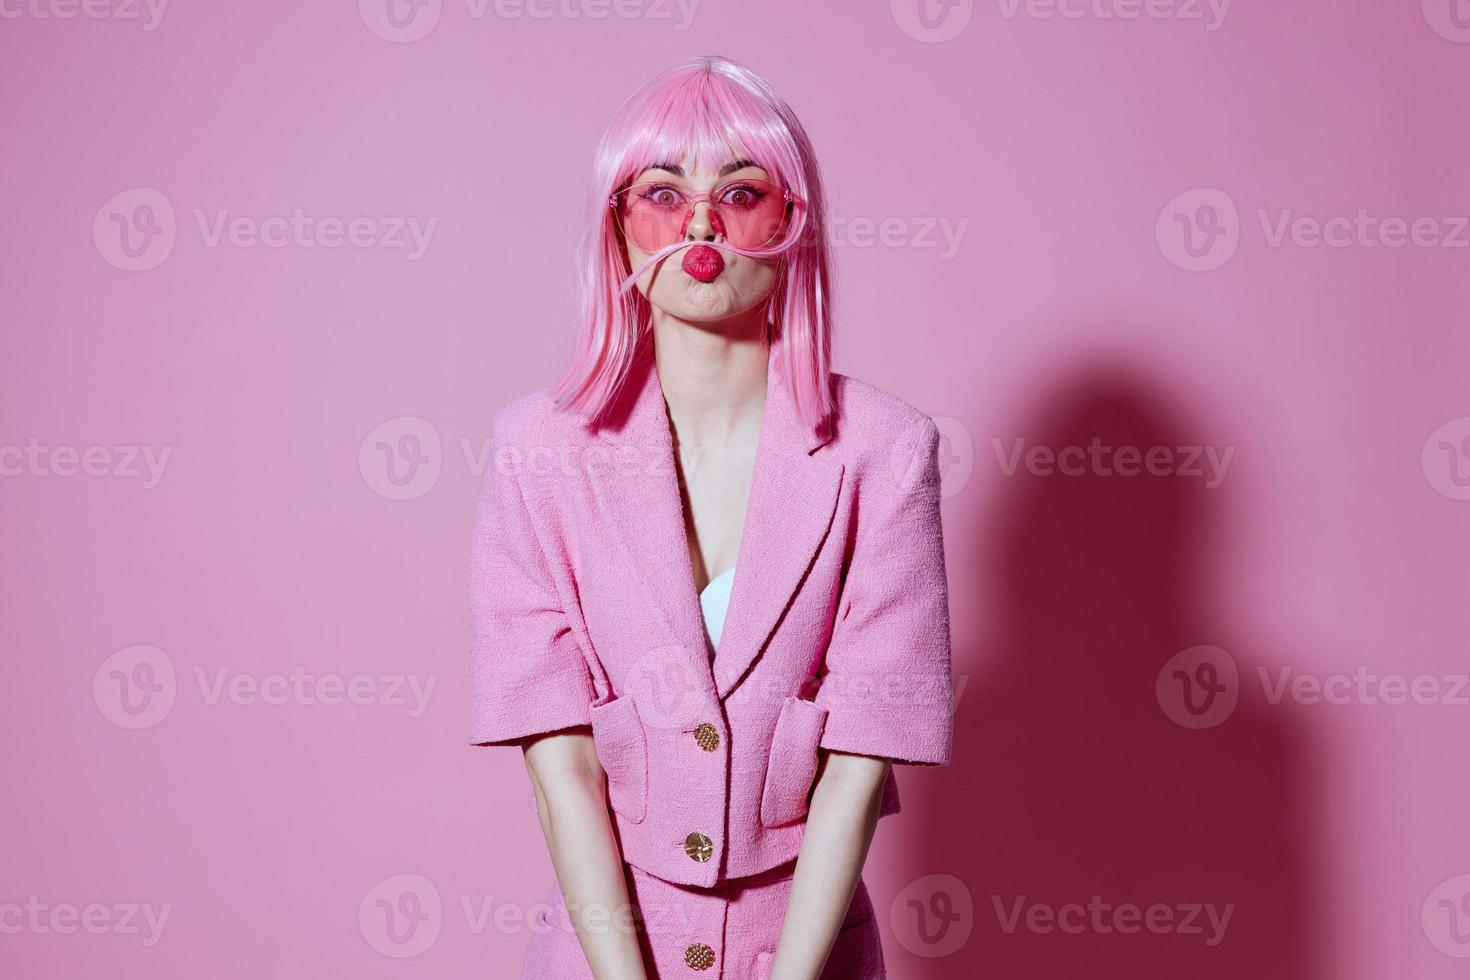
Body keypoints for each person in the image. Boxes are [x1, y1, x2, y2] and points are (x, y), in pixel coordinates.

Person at [468, 55, 953, 979]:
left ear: (790, 223)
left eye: (739, 191)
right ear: (616, 228)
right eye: (660, 191)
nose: (699, 223)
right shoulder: (535, 449)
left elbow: (857, 769)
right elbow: (559, 766)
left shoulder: (885, 451)